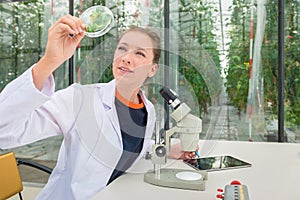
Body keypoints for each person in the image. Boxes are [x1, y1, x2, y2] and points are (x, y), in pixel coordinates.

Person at [0, 15, 196, 199]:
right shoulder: (80, 99)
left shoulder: (148, 110)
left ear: (152, 69)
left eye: (139, 53)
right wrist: (50, 61)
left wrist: (166, 150)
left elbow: (126, 153)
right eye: (122, 48)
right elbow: (4, 130)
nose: (126, 58)